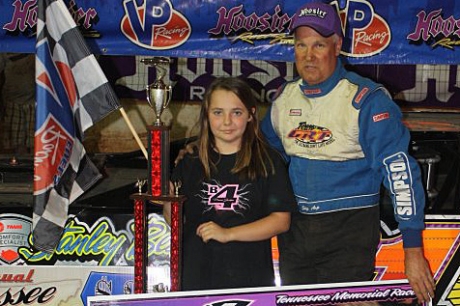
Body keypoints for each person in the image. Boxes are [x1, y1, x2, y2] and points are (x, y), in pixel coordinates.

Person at [259, 2, 435, 304]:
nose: (309, 55)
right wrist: (202, 153)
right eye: (301, 45)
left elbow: (400, 174)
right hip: (295, 235)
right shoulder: (283, 100)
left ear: (337, 46)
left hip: (348, 234)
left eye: (318, 45)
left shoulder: (367, 100)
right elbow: (260, 157)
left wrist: (413, 250)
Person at [164, 77, 297, 291]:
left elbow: (281, 221)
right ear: (206, 115)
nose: (227, 122)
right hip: (196, 275)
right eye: (218, 112)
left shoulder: (267, 161)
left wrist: (228, 234)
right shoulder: (190, 161)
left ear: (251, 115)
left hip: (249, 278)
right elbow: (177, 222)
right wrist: (169, 202)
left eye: (236, 112)